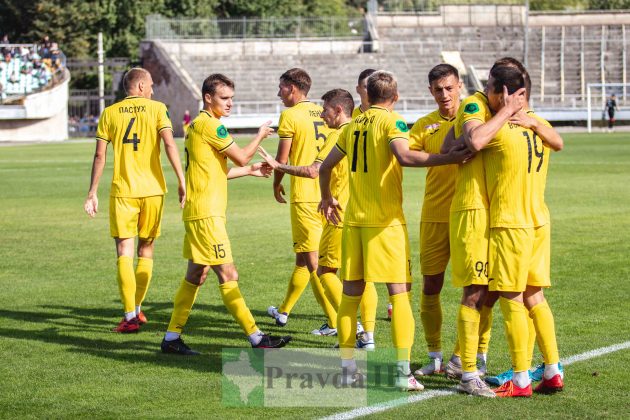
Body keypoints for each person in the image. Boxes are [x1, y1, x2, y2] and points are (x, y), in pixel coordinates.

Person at [318, 70, 471, 391]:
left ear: (368, 95)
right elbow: (403, 156)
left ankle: (348, 369)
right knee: (399, 295)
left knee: (350, 297)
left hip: (353, 223)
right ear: (395, 97)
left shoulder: (352, 125)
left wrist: (327, 198)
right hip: (385, 223)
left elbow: (326, 166)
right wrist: (447, 157)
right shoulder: (393, 122)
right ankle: (403, 373)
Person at [161, 73, 291, 354]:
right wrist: (259, 135)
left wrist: (250, 170)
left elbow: (218, 171)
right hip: (207, 214)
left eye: (232, 98)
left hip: (200, 211)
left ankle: (171, 338)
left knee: (196, 275)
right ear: (208, 98)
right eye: (225, 98)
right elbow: (241, 155)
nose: (230, 103)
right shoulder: (212, 127)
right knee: (228, 273)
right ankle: (256, 337)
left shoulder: (197, 125)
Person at [259, 89, 378, 346]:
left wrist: (279, 166)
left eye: (325, 110)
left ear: (338, 110)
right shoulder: (362, 129)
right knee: (361, 274)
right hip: (364, 212)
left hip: (339, 212)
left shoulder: (339, 135)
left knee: (325, 271)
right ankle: (368, 335)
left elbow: (314, 170)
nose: (322, 115)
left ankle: (350, 326)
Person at [84, 67, 186, 333]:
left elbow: (99, 156)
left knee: (124, 252)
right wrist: (181, 180)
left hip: (123, 192)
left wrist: (92, 192)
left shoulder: (110, 113)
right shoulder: (157, 109)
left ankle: (130, 315)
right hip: (153, 190)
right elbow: (170, 144)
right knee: (147, 250)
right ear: (140, 86)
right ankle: (137, 311)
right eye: (151, 84)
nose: (153, 89)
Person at [267, 68, 337, 333]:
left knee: (314, 263)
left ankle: (335, 321)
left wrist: (276, 184)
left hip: (306, 197)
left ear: (293, 89)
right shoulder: (324, 112)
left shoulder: (290, 115)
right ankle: (283, 311)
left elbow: (282, 160)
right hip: (328, 194)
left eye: (281, 87)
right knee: (302, 257)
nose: (279, 93)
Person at [408, 64, 462, 377]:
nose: (444, 94)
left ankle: (466, 356)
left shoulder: (473, 117)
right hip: (433, 214)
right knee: (431, 286)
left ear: (459, 86)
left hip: (469, 214)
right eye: (438, 89)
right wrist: (443, 157)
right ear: (430, 91)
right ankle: (435, 355)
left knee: (476, 288)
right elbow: (406, 154)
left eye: (449, 88)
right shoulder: (424, 124)